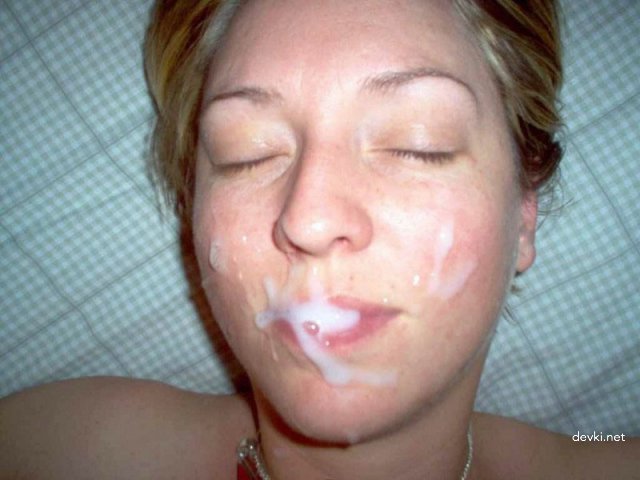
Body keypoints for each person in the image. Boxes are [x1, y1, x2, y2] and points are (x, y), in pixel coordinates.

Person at [1, 1, 638, 478]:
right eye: (247, 153)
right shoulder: (52, 452)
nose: (307, 218)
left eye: (417, 143)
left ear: (523, 213)